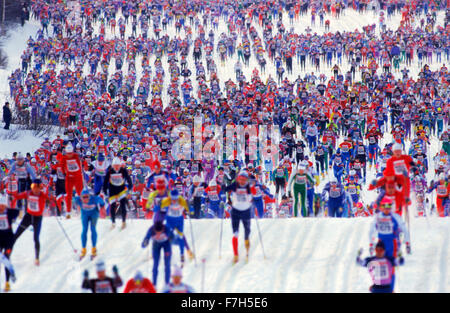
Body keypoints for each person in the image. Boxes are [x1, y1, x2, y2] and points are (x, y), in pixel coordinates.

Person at [12, 178, 50, 266]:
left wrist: (50, 201)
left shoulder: (42, 195)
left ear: (40, 188)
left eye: (38, 187)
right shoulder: (29, 193)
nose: (35, 189)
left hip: (37, 218)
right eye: (33, 186)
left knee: (36, 238)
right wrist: (13, 197)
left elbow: (50, 200)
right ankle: (6, 253)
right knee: (16, 235)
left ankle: (37, 258)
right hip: (28, 217)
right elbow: (17, 196)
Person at [224, 171, 254, 264]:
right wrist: (222, 187)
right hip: (236, 211)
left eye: (244, 180)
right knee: (235, 233)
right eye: (240, 179)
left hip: (246, 211)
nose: (242, 181)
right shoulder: (235, 185)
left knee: (247, 232)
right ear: (238, 179)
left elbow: (251, 197)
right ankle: (236, 254)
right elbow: (225, 189)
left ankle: (247, 248)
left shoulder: (248, 187)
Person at [160, 189, 194, 265]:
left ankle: (183, 254)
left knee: (181, 237)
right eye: (173, 199)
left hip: (179, 221)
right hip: (170, 221)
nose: (174, 201)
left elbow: (190, 209)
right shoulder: (167, 200)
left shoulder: (181, 201)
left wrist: (190, 209)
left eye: (176, 199)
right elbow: (158, 206)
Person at [73, 189, 105, 260]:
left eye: (87, 197)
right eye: (83, 197)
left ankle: (94, 248)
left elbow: (101, 200)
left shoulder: (94, 199)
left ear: (89, 196)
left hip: (94, 214)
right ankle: (83, 249)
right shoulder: (78, 200)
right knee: (84, 230)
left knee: (93, 229)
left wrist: (102, 206)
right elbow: (72, 199)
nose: (85, 199)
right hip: (85, 214)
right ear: (81, 197)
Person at [103, 157, 133, 229]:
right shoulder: (110, 171)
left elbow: (129, 179)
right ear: (113, 166)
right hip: (112, 190)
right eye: (115, 166)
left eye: (118, 166)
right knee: (112, 206)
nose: (116, 167)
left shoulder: (123, 170)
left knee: (123, 205)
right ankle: (113, 222)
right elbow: (105, 182)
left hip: (121, 190)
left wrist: (129, 188)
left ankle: (123, 222)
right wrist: (105, 190)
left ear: (120, 165)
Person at [141, 220, 173, 287]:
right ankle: (154, 284)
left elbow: (173, 236)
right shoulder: (151, 230)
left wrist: (171, 238)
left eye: (160, 232)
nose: (158, 234)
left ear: (163, 229)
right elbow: (144, 242)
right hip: (156, 245)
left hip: (166, 244)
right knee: (155, 264)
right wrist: (145, 243)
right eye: (156, 232)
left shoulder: (167, 229)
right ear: (154, 230)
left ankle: (167, 283)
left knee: (167, 264)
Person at [0, 194, 18, 291]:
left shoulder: (9, 212)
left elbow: (17, 212)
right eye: (0, 206)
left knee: (6, 259)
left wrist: (12, 215)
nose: (1, 208)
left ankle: (7, 282)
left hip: (8, 240)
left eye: (3, 206)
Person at [61, 144, 84, 219]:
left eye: (70, 153)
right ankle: (68, 212)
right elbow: (62, 166)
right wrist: (64, 174)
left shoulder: (76, 156)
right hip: (69, 178)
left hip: (77, 177)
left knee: (80, 194)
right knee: (69, 195)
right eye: (68, 154)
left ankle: (83, 211)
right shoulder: (64, 158)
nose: (69, 155)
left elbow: (79, 168)